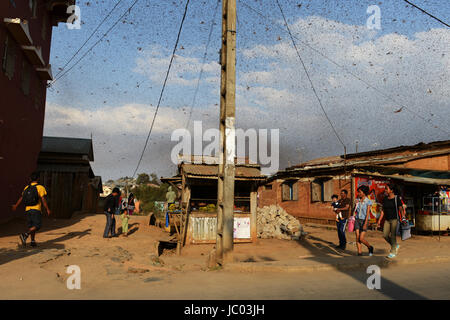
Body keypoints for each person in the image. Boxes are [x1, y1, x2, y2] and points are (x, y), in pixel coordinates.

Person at [12, 172, 51, 247]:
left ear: (30, 179)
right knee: (38, 225)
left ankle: (32, 241)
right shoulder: (40, 187)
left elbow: (21, 197)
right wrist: (47, 209)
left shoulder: (27, 187)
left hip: (28, 209)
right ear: (38, 178)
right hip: (36, 209)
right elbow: (43, 199)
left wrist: (16, 205)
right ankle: (25, 235)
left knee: (31, 226)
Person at [378, 183, 405, 258]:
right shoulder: (385, 199)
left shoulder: (397, 198)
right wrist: (379, 220)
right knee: (385, 235)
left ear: (391, 190)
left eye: (386, 188)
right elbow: (383, 210)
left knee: (393, 235)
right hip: (387, 220)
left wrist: (403, 217)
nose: (385, 190)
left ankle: (393, 251)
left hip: (395, 219)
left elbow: (400, 208)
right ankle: (395, 245)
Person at [353, 185, 374, 256]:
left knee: (361, 238)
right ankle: (359, 252)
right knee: (357, 237)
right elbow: (354, 211)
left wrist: (365, 223)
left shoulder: (368, 201)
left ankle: (370, 247)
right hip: (357, 220)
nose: (358, 193)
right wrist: (355, 204)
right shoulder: (357, 200)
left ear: (364, 193)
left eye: (359, 192)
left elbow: (368, 213)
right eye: (358, 192)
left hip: (364, 220)